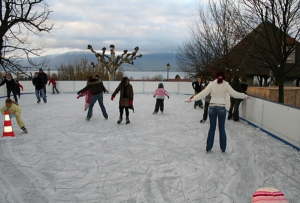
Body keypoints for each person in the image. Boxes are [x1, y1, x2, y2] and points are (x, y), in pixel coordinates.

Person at [187, 71, 250, 153]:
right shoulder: (226, 84)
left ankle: (208, 147)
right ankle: (223, 148)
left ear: (216, 76)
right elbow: (234, 94)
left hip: (212, 107)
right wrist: (245, 96)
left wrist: (192, 99)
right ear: (224, 77)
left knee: (212, 128)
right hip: (221, 108)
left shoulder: (212, 84)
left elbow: (203, 93)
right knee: (222, 128)